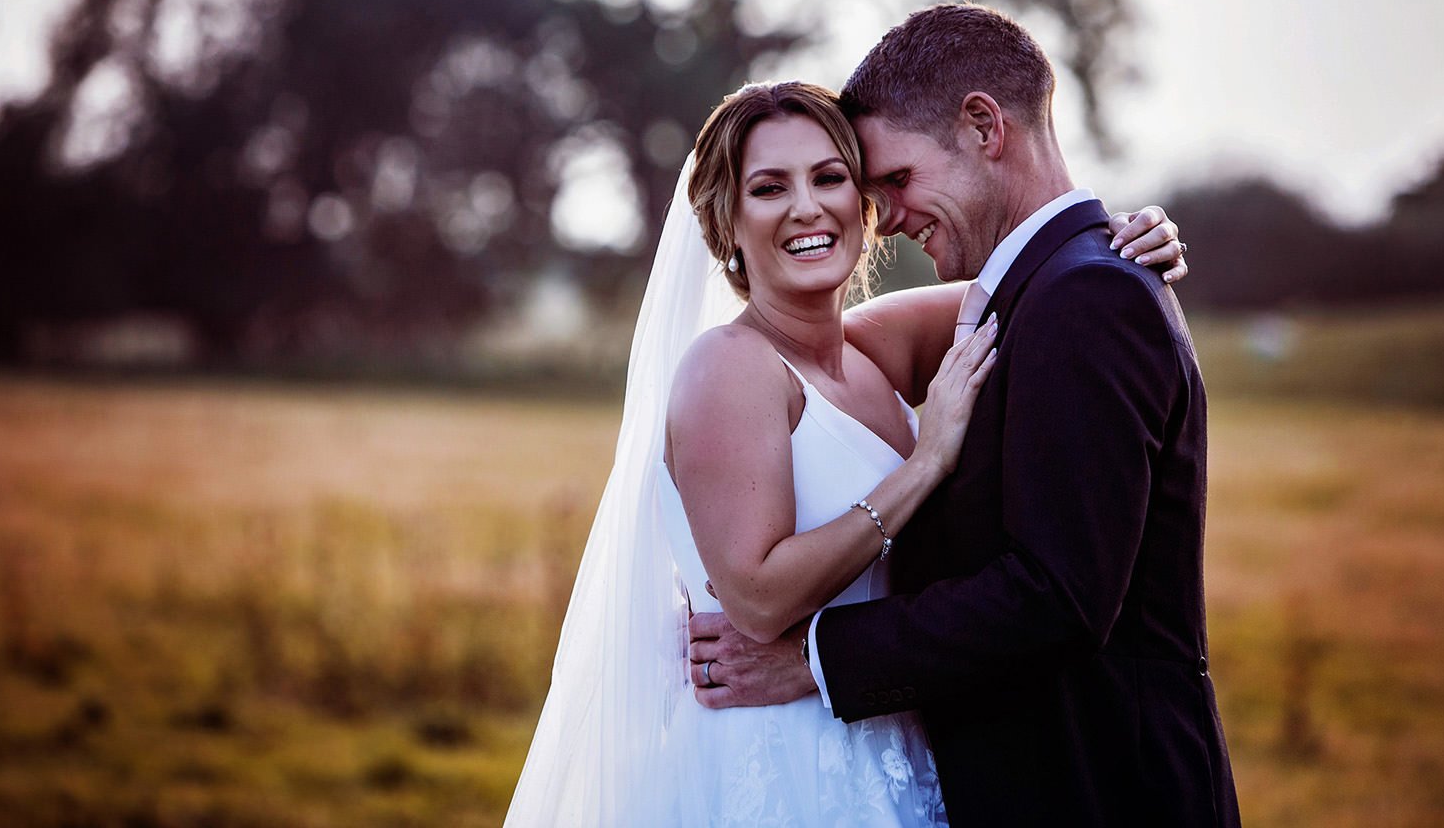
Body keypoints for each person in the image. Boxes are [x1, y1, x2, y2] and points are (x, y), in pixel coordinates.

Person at [504, 76, 1187, 826]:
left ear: (863, 208)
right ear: (726, 224)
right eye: (768, 188)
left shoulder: (872, 348)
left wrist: (1122, 234)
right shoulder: (727, 366)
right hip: (781, 756)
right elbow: (758, 599)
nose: (807, 207)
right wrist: (925, 464)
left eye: (829, 178)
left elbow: (1048, 286)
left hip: (889, 737)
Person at [690, 4, 1239, 827]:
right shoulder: (1032, 294)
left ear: (984, 126)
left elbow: (1056, 597)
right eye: (770, 187)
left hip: (1104, 789)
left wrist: (816, 662)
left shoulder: (1083, 293)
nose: (887, 215)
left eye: (892, 181)